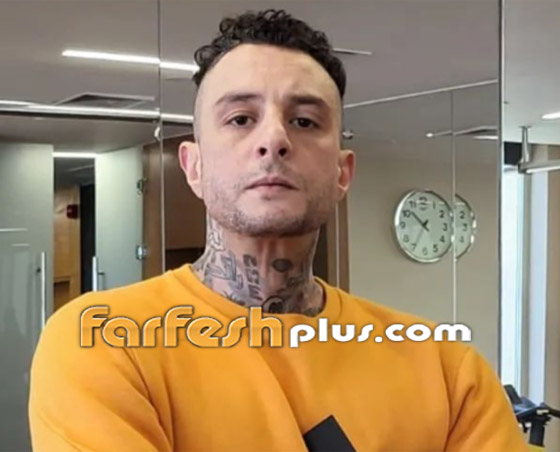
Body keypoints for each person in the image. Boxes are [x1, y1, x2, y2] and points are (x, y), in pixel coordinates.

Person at [29, 9, 528, 451]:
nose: (274, 139)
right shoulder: (103, 341)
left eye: (305, 121)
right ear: (194, 167)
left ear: (343, 173)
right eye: (240, 118)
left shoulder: (444, 368)